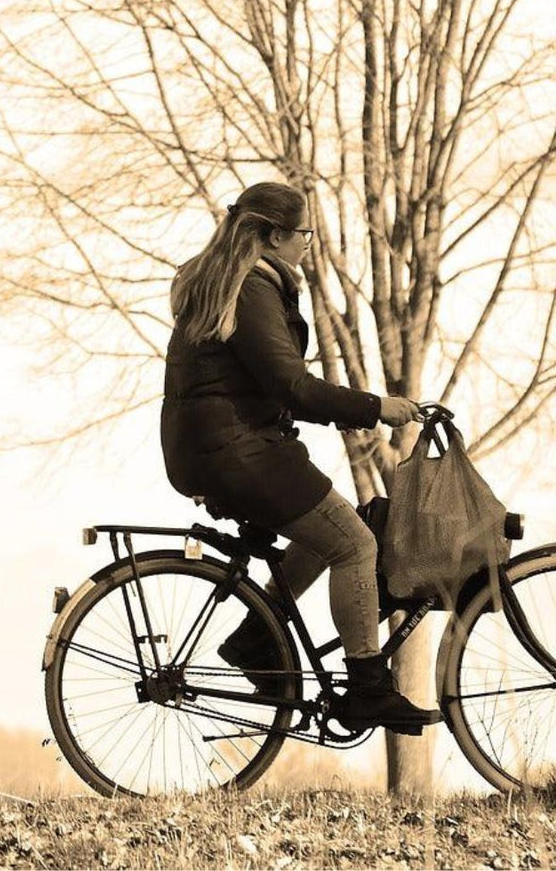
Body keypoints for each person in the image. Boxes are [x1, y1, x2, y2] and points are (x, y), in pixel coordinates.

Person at [160, 181, 438, 733]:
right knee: (357, 542)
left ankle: (255, 638)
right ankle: (367, 687)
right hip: (239, 451)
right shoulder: (251, 289)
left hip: (217, 449)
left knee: (330, 531)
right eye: (305, 233)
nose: (309, 244)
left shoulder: (231, 280)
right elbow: (291, 385)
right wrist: (376, 407)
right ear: (274, 235)